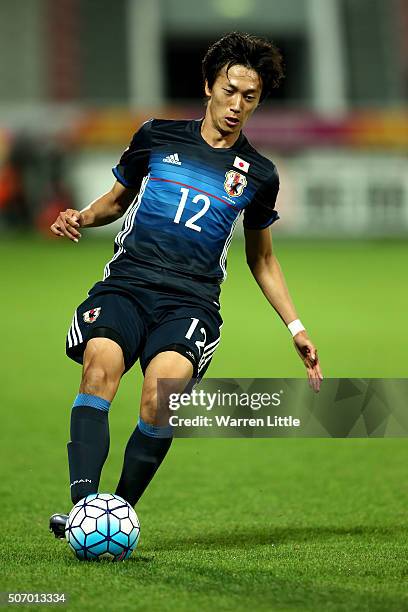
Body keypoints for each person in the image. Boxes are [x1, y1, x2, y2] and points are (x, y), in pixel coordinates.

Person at [49, 32, 323, 537]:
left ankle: (118, 513)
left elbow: (261, 258)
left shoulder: (259, 173)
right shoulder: (157, 135)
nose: (237, 105)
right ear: (208, 87)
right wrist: (81, 217)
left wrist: (296, 326)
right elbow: (115, 200)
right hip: (127, 284)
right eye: (229, 90)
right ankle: (85, 506)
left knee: (162, 396)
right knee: (99, 367)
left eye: (250, 96)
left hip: (190, 302)